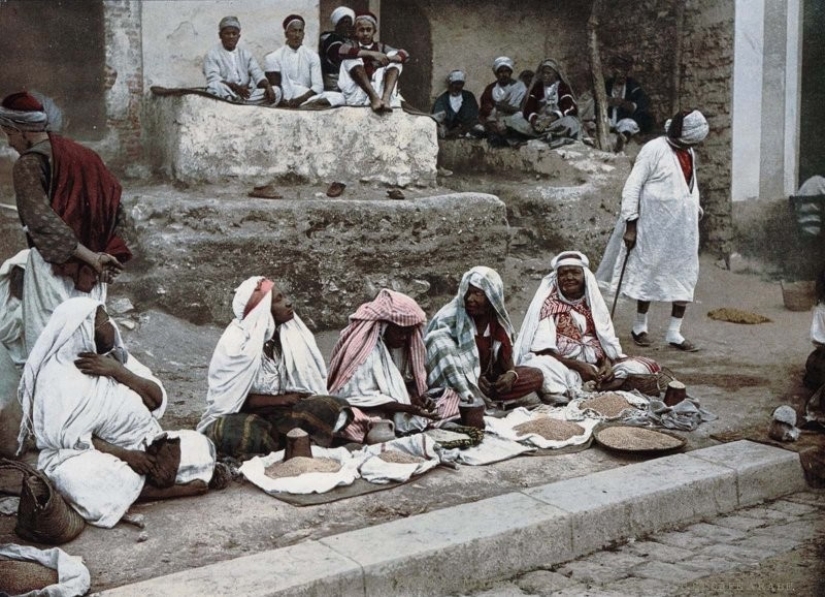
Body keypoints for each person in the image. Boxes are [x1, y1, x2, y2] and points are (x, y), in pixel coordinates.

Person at [16, 298, 222, 528]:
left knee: (199, 444)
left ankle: (141, 482)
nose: (111, 326)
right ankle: (157, 490)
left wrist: (119, 371)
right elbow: (70, 441)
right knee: (75, 478)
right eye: (103, 320)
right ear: (83, 328)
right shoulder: (57, 377)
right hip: (94, 455)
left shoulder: (116, 357)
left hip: (143, 444)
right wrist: (126, 456)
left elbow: (157, 399)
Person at [0, 91, 131, 356]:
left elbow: (43, 223)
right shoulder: (86, 155)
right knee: (87, 347)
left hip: (53, 274)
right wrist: (105, 254)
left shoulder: (29, 164)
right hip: (92, 274)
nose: (10, 143)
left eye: (9, 134)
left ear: (22, 130)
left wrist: (93, 259)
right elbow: (118, 208)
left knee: (52, 349)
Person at [197, 277, 352, 459]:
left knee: (335, 406)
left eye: (284, 296)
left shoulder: (285, 338)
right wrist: (282, 400)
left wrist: (295, 400)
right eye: (278, 300)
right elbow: (231, 400)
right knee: (245, 432)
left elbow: (304, 383)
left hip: (279, 415)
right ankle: (282, 445)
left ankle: (285, 444)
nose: (288, 303)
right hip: (244, 415)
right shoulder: (235, 346)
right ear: (262, 311)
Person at [596, 110, 710, 352]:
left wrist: (694, 204)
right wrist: (630, 224)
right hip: (653, 226)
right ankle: (640, 326)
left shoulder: (688, 151)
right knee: (647, 272)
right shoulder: (654, 149)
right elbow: (632, 187)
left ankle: (674, 332)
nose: (698, 143)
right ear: (685, 134)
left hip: (682, 228)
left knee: (684, 274)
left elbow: (688, 183)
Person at [514, 252, 661, 404]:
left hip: (594, 369)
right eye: (563, 273)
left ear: (585, 276)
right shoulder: (549, 307)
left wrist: (607, 364)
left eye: (575, 272)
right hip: (563, 367)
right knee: (537, 367)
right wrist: (578, 366)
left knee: (639, 367)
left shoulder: (593, 306)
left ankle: (597, 386)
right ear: (557, 279)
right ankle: (588, 390)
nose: (569, 277)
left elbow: (605, 342)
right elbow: (543, 350)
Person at [328, 289, 441, 439]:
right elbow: (360, 397)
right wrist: (408, 408)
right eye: (400, 332)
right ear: (384, 326)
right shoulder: (365, 351)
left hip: (393, 408)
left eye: (408, 333)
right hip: (360, 407)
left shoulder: (401, 346)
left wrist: (416, 398)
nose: (404, 338)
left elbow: (403, 381)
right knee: (348, 421)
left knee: (447, 404)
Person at [424, 266, 543, 409]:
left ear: (491, 296)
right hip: (459, 382)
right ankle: (471, 401)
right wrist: (473, 378)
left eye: (477, 293)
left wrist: (511, 374)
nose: (469, 299)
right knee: (440, 342)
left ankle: (485, 399)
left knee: (535, 375)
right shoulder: (449, 318)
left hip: (488, 383)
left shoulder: (496, 321)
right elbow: (441, 356)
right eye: (467, 293)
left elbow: (506, 358)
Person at [336, 12, 408, 112]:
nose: (365, 33)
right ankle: (374, 98)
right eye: (361, 30)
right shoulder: (352, 44)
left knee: (395, 58)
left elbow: (405, 54)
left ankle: (386, 99)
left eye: (368, 29)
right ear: (356, 32)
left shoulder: (380, 47)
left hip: (378, 88)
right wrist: (373, 54)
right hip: (357, 90)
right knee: (350, 59)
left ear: (374, 31)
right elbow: (342, 50)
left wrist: (388, 59)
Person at [203, 16, 279, 105]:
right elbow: (214, 79)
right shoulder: (212, 54)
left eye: (234, 34)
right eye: (227, 33)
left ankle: (241, 106)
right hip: (227, 94)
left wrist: (267, 86)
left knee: (276, 91)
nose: (231, 37)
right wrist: (235, 87)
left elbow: (257, 73)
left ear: (238, 36)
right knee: (214, 87)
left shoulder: (246, 54)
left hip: (245, 95)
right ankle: (240, 107)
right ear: (220, 35)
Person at [264, 15, 323, 109]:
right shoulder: (274, 57)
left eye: (300, 31)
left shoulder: (312, 56)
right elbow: (276, 87)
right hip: (285, 96)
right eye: (294, 31)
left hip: (306, 96)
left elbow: (318, 86)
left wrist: (301, 99)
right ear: (286, 34)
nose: (297, 35)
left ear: (303, 34)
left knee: (338, 97)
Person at [521, 58, 581, 142]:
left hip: (556, 122)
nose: (545, 75)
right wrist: (534, 121)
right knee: (516, 119)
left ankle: (547, 135)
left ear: (555, 75)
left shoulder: (562, 87)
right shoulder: (537, 88)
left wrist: (551, 119)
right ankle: (547, 135)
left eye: (548, 73)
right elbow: (529, 108)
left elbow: (569, 106)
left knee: (570, 122)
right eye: (543, 73)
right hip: (539, 122)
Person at [604, 54, 654, 146]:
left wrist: (622, 103)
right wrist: (608, 100)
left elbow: (637, 105)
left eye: (625, 71)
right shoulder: (607, 85)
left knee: (628, 124)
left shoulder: (633, 86)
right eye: (619, 71)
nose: (622, 74)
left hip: (624, 119)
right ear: (614, 71)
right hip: (609, 119)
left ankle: (623, 139)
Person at [478, 57, 528, 142]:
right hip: (496, 120)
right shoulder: (491, 89)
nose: (504, 74)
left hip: (515, 118)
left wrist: (507, 108)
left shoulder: (520, 87)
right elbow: (485, 110)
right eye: (501, 72)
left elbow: (524, 108)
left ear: (510, 72)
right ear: (496, 74)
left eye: (506, 71)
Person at [431, 70, 480, 139]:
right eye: (455, 84)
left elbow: (473, 114)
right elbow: (438, 118)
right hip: (450, 129)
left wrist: (463, 127)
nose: (457, 87)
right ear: (450, 84)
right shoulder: (442, 99)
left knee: (479, 129)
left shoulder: (469, 96)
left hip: (467, 127)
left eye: (460, 84)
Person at [319, 6, 355, 91]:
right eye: (345, 22)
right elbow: (343, 52)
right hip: (333, 86)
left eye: (350, 23)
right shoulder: (331, 39)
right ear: (337, 24)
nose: (348, 26)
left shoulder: (349, 40)